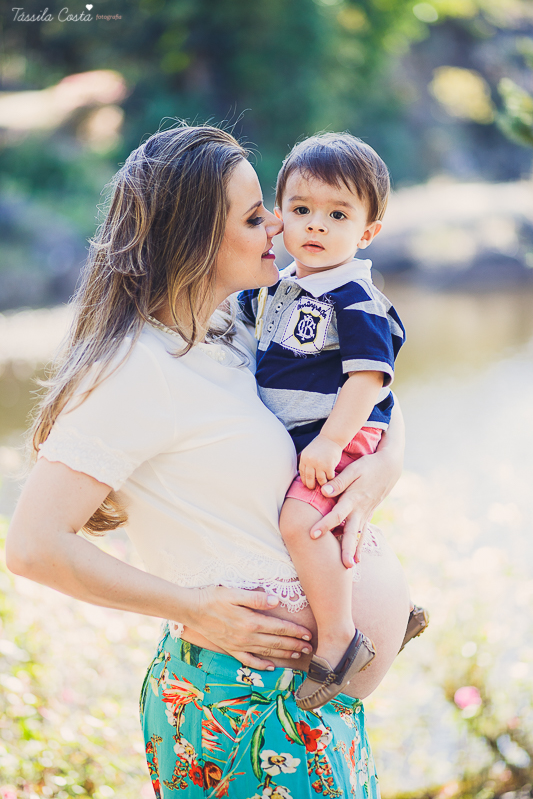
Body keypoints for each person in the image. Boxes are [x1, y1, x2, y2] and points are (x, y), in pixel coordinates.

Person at [6, 124, 410, 799]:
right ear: (195, 238)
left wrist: (385, 464)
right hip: (240, 706)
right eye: (256, 217)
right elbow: (32, 546)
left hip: (310, 705)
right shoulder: (132, 368)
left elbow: (368, 392)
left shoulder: (232, 329)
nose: (281, 226)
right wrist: (194, 606)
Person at [239, 133, 428, 712]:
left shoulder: (354, 296)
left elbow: (369, 379)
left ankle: (343, 639)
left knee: (303, 524)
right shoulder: (282, 288)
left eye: (337, 215)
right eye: (301, 211)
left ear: (367, 232)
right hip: (310, 431)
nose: (315, 226)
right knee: (312, 515)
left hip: (338, 429)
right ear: (278, 219)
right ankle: (391, 608)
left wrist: (331, 441)